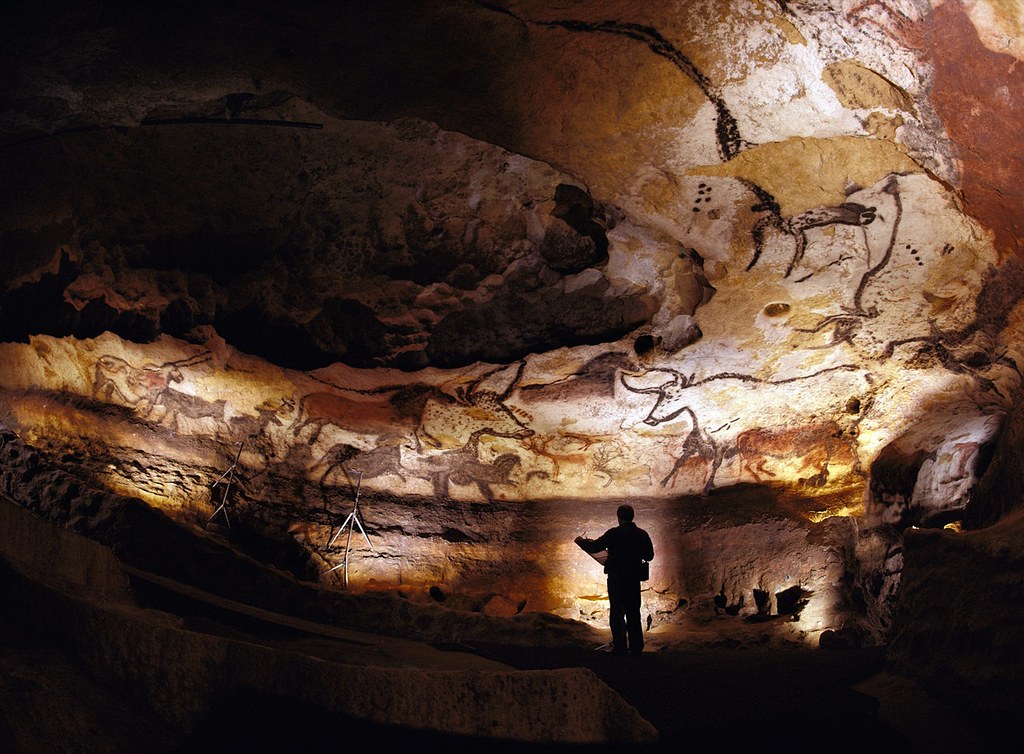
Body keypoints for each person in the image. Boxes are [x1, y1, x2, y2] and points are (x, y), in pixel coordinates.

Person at [575, 504, 654, 656]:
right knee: (633, 613)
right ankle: (636, 648)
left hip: (616, 578)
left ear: (619, 517)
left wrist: (582, 542)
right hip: (633, 579)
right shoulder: (642, 534)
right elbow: (649, 556)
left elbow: (595, 547)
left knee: (617, 613)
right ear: (632, 516)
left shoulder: (614, 534)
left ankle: (620, 647)